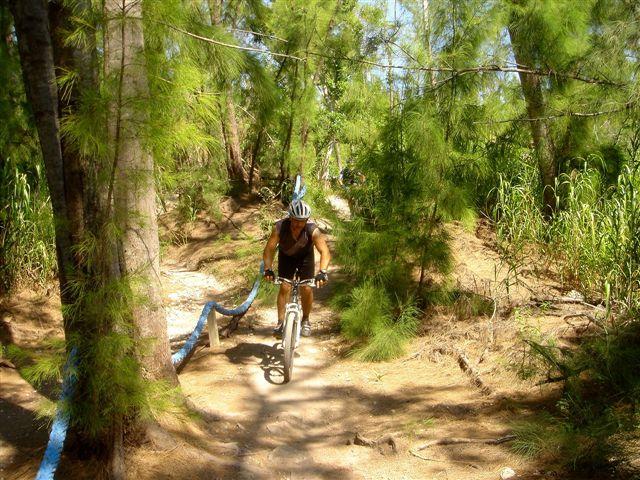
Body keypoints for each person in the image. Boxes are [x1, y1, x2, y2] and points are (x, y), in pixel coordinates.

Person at [262, 199, 331, 337]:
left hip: (305, 258)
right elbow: (268, 250)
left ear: (307, 220)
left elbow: (325, 252)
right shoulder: (280, 228)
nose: (298, 224)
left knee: (306, 287)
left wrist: (323, 271)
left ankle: (305, 319)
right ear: (290, 217)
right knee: (285, 286)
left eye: (302, 221)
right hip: (286, 256)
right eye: (295, 220)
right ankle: (280, 322)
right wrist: (268, 269)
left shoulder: (313, 230)